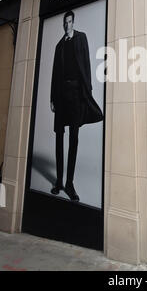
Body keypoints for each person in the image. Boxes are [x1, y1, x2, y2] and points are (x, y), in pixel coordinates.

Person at [50, 11, 103, 202]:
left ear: (73, 22)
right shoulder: (59, 46)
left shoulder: (81, 38)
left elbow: (87, 65)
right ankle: (58, 181)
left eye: (69, 22)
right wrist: (52, 98)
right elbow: (55, 73)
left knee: (74, 137)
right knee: (59, 136)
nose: (67, 25)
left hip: (76, 94)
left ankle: (70, 183)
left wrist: (86, 91)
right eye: (65, 23)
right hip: (61, 95)